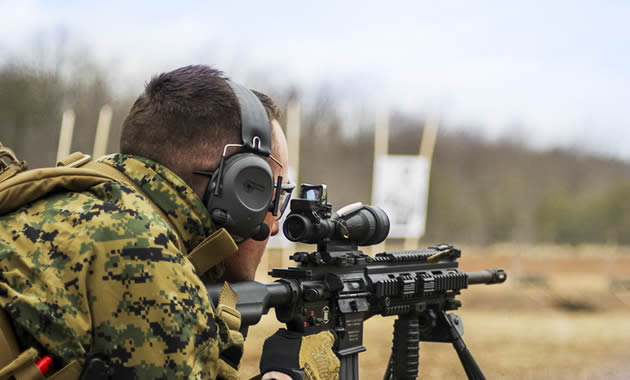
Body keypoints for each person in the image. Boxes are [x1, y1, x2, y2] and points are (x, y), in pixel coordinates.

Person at [0, 65, 338, 379]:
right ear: (238, 189)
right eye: (271, 197)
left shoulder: (56, 202)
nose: (275, 225)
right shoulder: (146, 260)